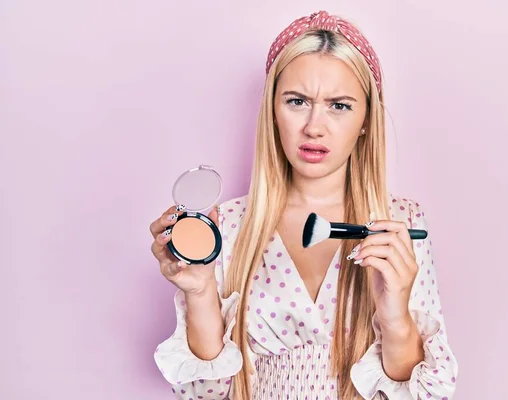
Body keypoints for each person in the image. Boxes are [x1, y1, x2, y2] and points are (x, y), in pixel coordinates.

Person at [149, 10, 458, 400]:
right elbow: (207, 392)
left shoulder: (401, 224)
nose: (314, 126)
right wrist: (198, 292)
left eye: (339, 105)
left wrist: (393, 311)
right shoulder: (226, 225)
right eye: (297, 101)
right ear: (272, 109)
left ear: (366, 118)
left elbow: (423, 395)